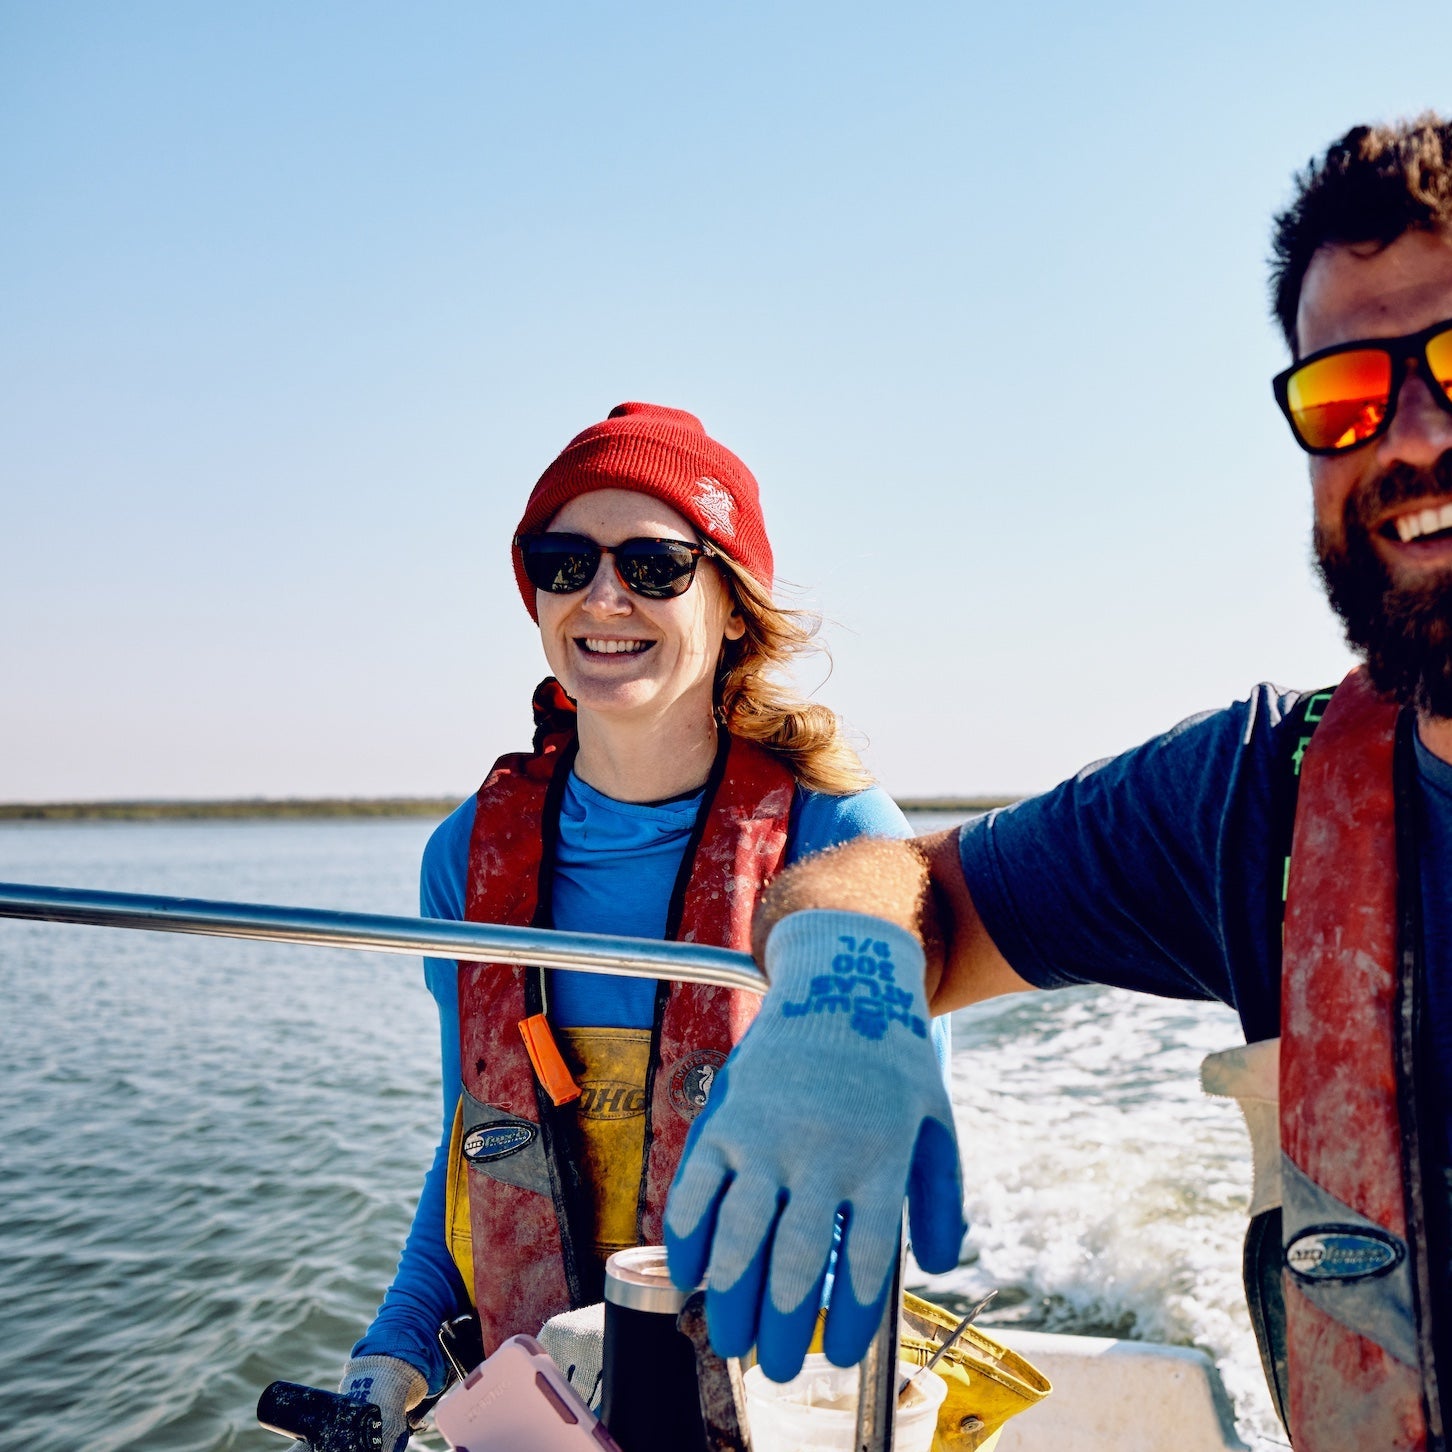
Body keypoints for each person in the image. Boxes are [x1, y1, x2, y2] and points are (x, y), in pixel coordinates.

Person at [666, 117, 1452, 1450]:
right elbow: (908, 879)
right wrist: (845, 988)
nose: (1413, 436)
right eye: (1344, 398)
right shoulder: (1257, 798)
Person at [284, 402, 952, 1452]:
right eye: (564, 561)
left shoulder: (844, 844)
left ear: (736, 604)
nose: (603, 596)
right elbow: (478, 1145)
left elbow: (884, 1184)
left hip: (776, 1399)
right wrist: (392, 1351)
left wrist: (656, 1329)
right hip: (539, 1413)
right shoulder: (464, 861)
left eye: (654, 564)